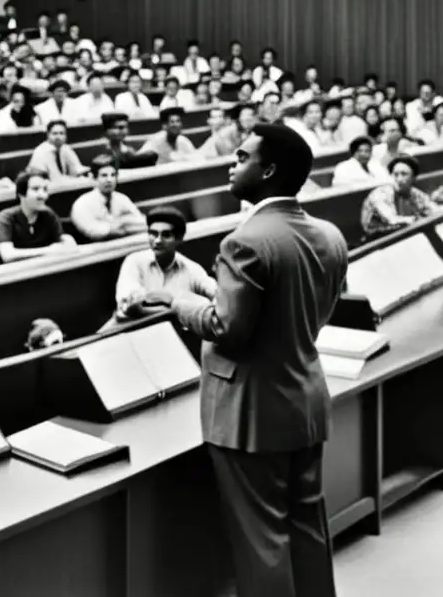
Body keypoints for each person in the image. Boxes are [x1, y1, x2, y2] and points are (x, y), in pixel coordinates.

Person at [145, 123, 348, 597]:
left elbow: (226, 329)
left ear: (269, 170)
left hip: (250, 411)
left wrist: (178, 302)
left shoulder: (245, 241)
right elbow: (305, 312)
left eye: (241, 156)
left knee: (263, 542)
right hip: (306, 399)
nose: (230, 163)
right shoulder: (329, 234)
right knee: (307, 526)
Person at [113, 206, 217, 323]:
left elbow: (216, 295)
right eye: (153, 233)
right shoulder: (134, 261)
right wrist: (179, 308)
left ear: (179, 238)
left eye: (166, 235)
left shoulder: (192, 269)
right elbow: (129, 306)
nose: (157, 241)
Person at [0, 168, 76, 263]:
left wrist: (68, 241)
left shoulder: (48, 214)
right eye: (35, 189)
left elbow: (65, 243)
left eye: (45, 189)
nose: (43, 195)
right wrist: (49, 250)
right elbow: (8, 256)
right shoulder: (5, 218)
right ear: (21, 193)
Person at [361, 155, 442, 239]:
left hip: (403, 235)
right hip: (376, 240)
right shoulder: (381, 194)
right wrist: (418, 219)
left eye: (404, 174)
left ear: (413, 178)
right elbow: (392, 220)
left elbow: (434, 209)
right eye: (395, 175)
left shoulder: (415, 193)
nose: (399, 179)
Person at [70, 155, 146, 241]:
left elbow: (143, 223)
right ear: (93, 178)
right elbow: (93, 232)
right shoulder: (82, 204)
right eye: (104, 175)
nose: (109, 180)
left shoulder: (122, 198)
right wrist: (123, 224)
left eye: (113, 175)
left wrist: (122, 223)